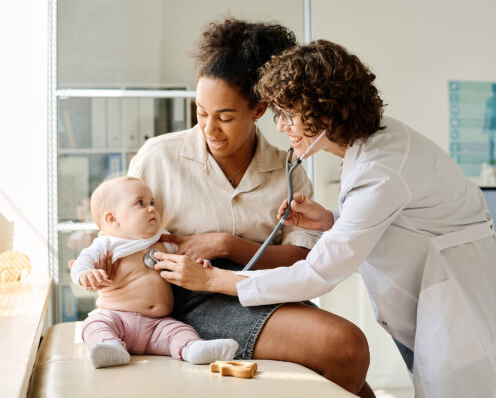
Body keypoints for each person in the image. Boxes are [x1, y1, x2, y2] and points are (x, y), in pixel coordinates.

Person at [152, 40, 496, 398]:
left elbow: (319, 274)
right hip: (441, 288)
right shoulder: (372, 145)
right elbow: (394, 220)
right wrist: (331, 221)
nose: (281, 127)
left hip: (464, 293)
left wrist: (214, 279)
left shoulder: (380, 166)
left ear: (325, 111)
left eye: (289, 115)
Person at [126, 20, 373, 397]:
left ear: (258, 109)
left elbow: (299, 259)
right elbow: (120, 240)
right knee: (344, 345)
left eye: (225, 117)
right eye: (201, 113)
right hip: (190, 298)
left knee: (353, 372)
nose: (210, 128)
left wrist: (226, 244)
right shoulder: (158, 158)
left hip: (263, 287)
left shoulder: (286, 169)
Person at [71, 176, 238, 369]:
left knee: (180, 330)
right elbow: (81, 263)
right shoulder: (106, 244)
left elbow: (186, 260)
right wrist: (85, 274)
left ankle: (194, 349)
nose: (151, 208)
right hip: (117, 317)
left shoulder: (163, 239)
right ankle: (109, 346)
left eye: (152, 202)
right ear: (112, 218)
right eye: (140, 203)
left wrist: (199, 265)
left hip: (158, 323)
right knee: (95, 324)